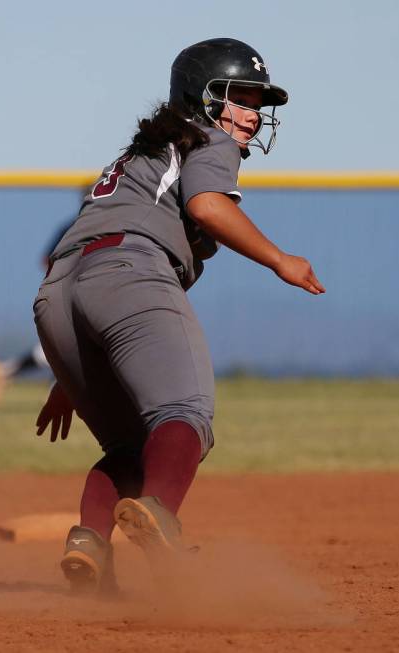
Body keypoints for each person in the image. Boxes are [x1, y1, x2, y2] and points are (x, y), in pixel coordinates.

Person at [33, 37, 325, 593]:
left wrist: (69, 373)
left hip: (57, 296)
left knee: (128, 449)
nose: (251, 113)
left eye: (256, 101)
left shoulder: (136, 155)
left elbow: (85, 261)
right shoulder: (208, 138)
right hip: (129, 273)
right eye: (239, 96)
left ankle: (89, 544)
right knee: (185, 414)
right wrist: (279, 259)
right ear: (202, 97)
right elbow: (206, 206)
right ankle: (159, 517)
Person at [0, 218, 76, 406]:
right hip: (74, 290)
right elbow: (46, 260)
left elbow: (45, 260)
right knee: (67, 342)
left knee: (66, 343)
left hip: (74, 289)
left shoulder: (78, 222)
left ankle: (5, 371)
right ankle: (51, 390)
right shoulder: (81, 224)